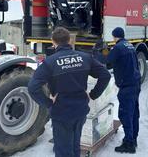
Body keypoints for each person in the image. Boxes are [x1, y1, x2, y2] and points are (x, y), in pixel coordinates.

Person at [28, 27, 111, 157]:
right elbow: (105, 75)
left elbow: (33, 88)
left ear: (53, 42)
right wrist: (93, 94)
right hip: (80, 111)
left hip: (61, 113)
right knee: (74, 146)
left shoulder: (50, 62)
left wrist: (49, 103)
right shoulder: (84, 57)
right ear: (69, 41)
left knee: (63, 151)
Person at [107, 27, 141, 154]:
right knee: (133, 113)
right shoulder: (129, 45)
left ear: (115, 36)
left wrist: (97, 52)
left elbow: (107, 61)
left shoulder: (118, 47)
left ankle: (129, 144)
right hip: (135, 84)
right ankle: (133, 139)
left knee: (125, 114)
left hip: (127, 86)